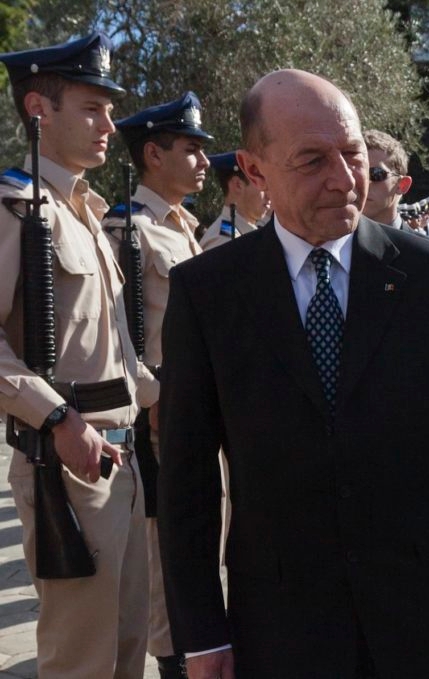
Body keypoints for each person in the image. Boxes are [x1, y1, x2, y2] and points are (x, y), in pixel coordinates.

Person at [156, 69, 429, 679]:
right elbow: (187, 480)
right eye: (312, 160)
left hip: (415, 610)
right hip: (276, 624)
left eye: (351, 154)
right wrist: (201, 633)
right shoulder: (208, 291)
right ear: (254, 168)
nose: (343, 179)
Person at [0, 33, 159, 678]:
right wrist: (57, 419)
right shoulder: (15, 210)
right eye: (92, 107)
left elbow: (116, 354)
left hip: (118, 456)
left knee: (125, 654)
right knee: (81, 663)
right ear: (39, 108)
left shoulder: (83, 214)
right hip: (67, 460)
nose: (108, 124)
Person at [103, 91, 213, 679]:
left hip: (192, 408)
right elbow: (120, 332)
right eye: (190, 149)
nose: (202, 161)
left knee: (198, 532)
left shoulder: (181, 226)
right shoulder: (128, 228)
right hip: (157, 414)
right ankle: (173, 660)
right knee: (162, 549)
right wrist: (150, 396)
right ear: (152, 153)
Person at [200, 150, 270, 250]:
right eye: (261, 185)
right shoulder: (223, 240)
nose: (269, 195)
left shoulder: (241, 232)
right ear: (238, 185)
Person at [358, 129, 414, 234]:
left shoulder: (420, 250)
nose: (364, 182)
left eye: (376, 174)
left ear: (402, 185)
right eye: (357, 173)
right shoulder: (327, 245)